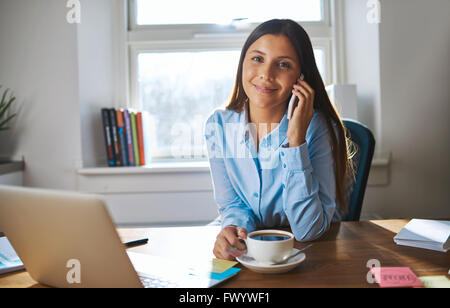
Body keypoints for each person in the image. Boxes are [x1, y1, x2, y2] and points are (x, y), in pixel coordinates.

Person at [204, 19, 355, 261]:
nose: (266, 74)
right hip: (252, 252)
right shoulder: (219, 126)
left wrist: (296, 142)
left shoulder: (319, 128)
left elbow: (308, 230)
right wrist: (236, 232)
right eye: (257, 59)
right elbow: (233, 205)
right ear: (242, 63)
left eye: (283, 64)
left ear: (300, 77)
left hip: (306, 257)